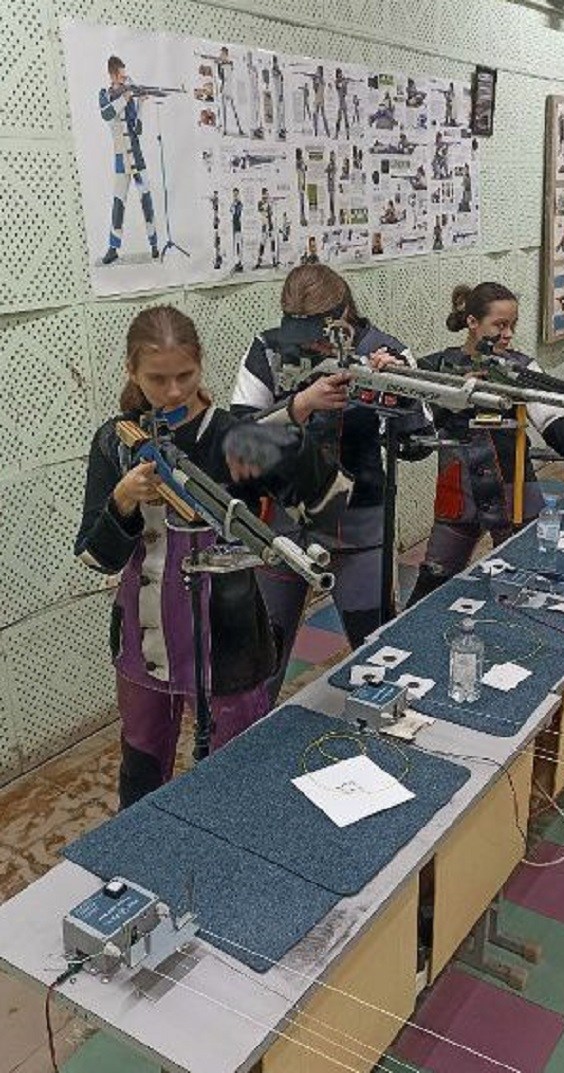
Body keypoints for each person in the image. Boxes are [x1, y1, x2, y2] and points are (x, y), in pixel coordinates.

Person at [75, 306, 340, 808]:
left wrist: (292, 428)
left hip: (230, 635)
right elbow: (94, 556)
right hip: (145, 634)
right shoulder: (115, 440)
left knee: (237, 775)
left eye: (185, 375)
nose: (174, 392)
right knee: (141, 768)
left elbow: (327, 496)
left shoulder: (233, 434)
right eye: (157, 379)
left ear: (201, 364)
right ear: (131, 372)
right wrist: (123, 501)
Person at [231, 265, 429, 695]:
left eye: (318, 337)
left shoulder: (386, 349)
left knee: (375, 654)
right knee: (262, 663)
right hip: (282, 526)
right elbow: (239, 439)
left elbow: (418, 445)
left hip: (359, 526)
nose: (309, 347)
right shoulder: (267, 349)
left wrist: (397, 389)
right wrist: (302, 404)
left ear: (343, 318)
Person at [406, 282, 564, 605]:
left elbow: (556, 427)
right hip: (458, 492)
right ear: (472, 322)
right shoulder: (436, 367)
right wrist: (453, 399)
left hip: (514, 490)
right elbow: (411, 434)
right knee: (432, 584)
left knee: (531, 583)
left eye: (512, 325)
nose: (508, 334)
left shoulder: (521, 369)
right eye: (499, 325)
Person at [98, 55, 158, 265]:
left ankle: (154, 244)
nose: (125, 80)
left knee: (146, 200)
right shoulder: (105, 95)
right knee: (118, 204)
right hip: (121, 161)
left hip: (137, 159)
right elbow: (107, 114)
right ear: (113, 75)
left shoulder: (128, 98)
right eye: (122, 77)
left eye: (125, 77)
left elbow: (137, 129)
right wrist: (126, 97)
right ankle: (113, 248)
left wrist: (140, 104)